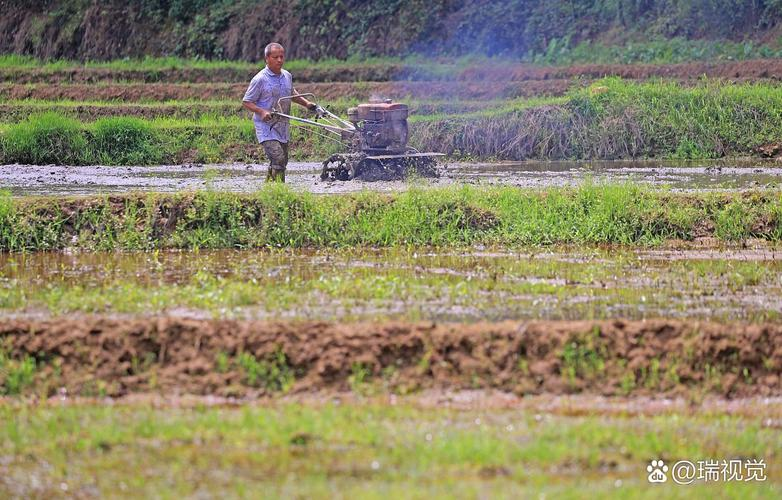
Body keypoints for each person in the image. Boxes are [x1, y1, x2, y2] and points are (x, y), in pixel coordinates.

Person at [242, 42, 318, 182]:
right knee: (278, 158)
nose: (279, 60)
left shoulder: (287, 75)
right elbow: (247, 101)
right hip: (267, 126)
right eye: (275, 57)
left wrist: (307, 104)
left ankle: (269, 187)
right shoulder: (260, 79)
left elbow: (291, 93)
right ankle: (280, 188)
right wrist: (261, 112)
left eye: (282, 57)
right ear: (267, 58)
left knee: (282, 161)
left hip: (282, 125)